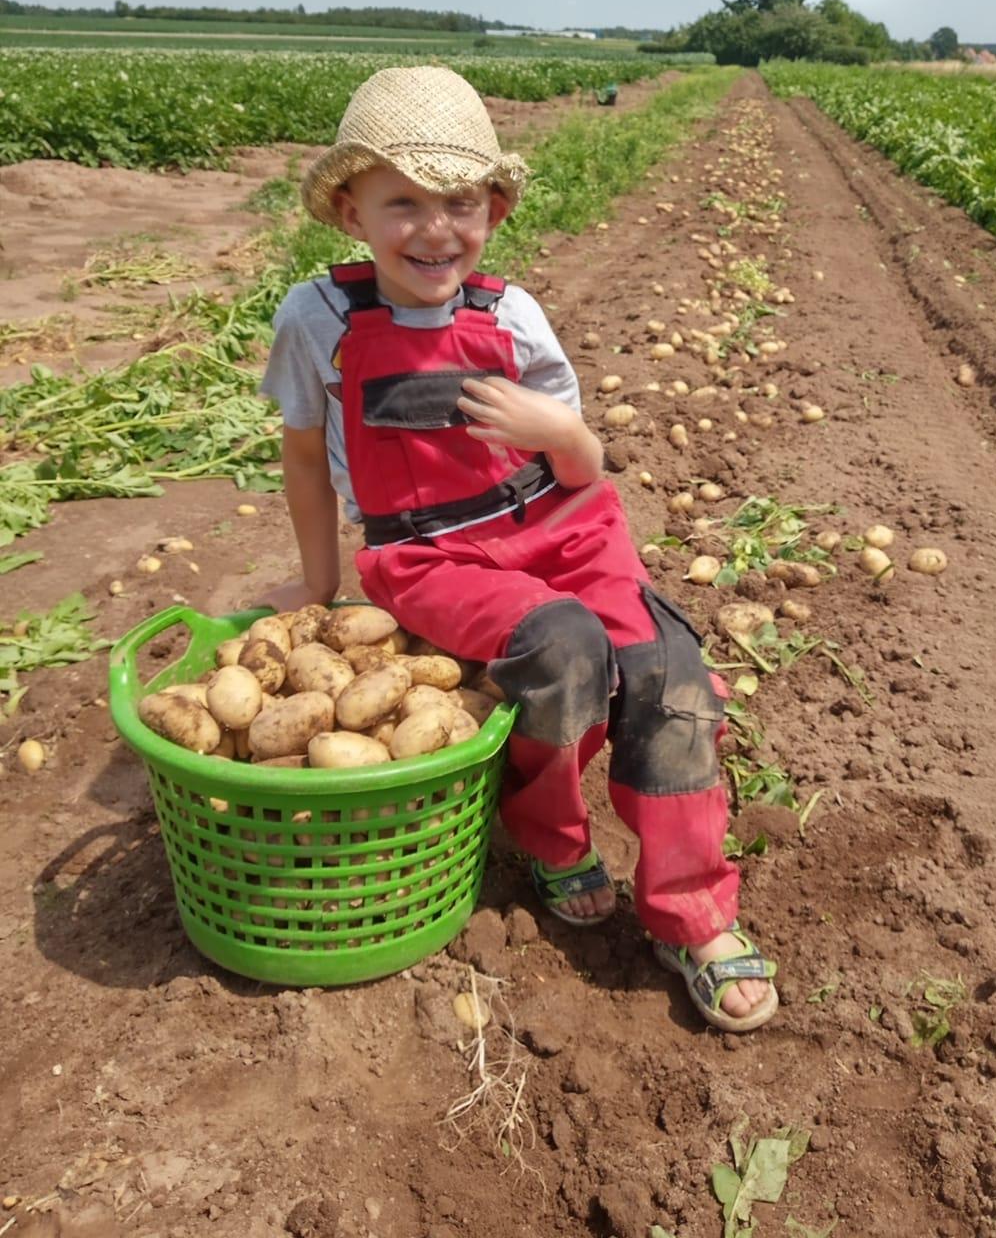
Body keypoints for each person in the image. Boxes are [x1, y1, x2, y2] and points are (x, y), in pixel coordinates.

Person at [258, 65, 778, 1033]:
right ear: (348, 208)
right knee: (562, 648)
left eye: (458, 202)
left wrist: (558, 428)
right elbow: (300, 453)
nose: (434, 229)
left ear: (492, 206)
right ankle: (548, 833)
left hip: (559, 527)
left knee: (664, 669)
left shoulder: (510, 314)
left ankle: (694, 911)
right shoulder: (318, 318)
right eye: (401, 202)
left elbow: (584, 464)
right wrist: (321, 583)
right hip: (427, 555)